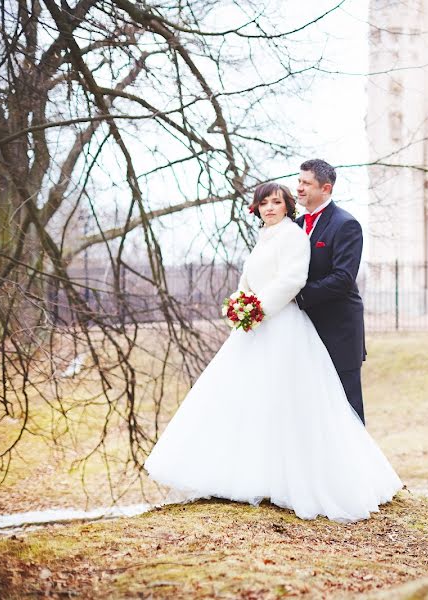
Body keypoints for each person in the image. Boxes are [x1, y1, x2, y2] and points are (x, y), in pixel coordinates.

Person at [144, 183, 402, 522]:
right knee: (244, 397)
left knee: (284, 399)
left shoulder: (293, 236)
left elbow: (292, 279)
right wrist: (239, 303)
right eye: (263, 203)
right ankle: (245, 473)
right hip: (256, 327)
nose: (269, 208)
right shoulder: (264, 237)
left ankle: (289, 478)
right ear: (256, 208)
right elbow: (248, 280)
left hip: (283, 326)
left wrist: (257, 309)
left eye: (276, 202)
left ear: (287, 206)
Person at [294, 159, 367, 424]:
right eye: (299, 181)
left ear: (325, 188)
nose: (299, 188)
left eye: (306, 183)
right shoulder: (295, 225)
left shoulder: (346, 225)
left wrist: (298, 296)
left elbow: (343, 278)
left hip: (339, 332)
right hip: (304, 330)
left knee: (346, 409)